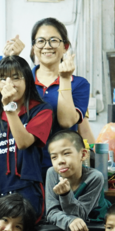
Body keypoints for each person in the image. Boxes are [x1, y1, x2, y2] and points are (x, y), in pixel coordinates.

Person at [0, 55, 53, 219]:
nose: (9, 83)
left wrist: (8, 107)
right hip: (3, 194)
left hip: (30, 193)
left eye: (16, 77)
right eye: (3, 79)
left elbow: (24, 142)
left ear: (27, 80)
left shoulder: (41, 111)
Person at [27, 18, 94, 167]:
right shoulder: (24, 82)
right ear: (33, 47)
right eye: (41, 41)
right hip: (28, 166)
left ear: (65, 46)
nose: (47, 46)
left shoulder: (79, 84)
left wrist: (64, 79)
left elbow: (66, 121)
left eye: (53, 40)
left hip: (64, 167)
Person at [44, 130, 110, 231]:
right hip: (67, 226)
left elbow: (81, 214)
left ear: (83, 155)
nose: (60, 161)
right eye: (54, 157)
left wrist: (66, 194)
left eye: (66, 153)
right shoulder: (52, 173)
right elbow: (51, 212)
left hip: (94, 226)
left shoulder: (94, 177)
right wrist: (69, 221)